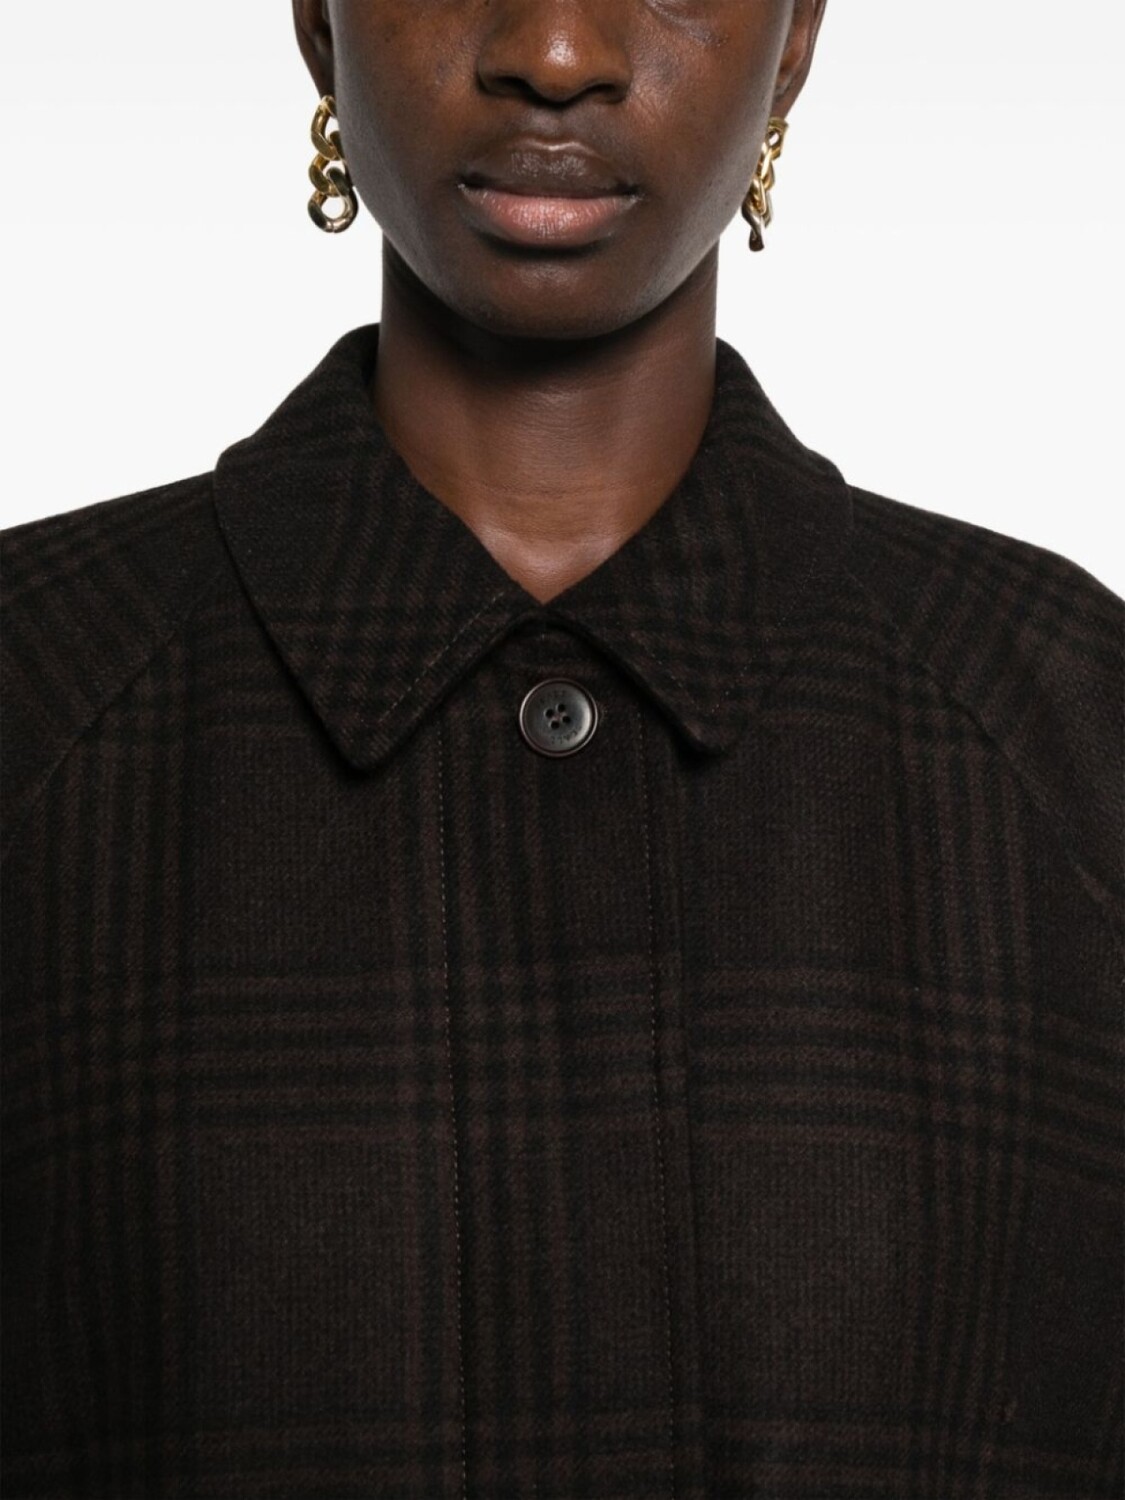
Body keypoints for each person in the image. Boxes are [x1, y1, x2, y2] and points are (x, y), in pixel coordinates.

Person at [2, 1, 1121, 1496]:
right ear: (317, 18)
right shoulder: (37, 698)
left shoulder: (1074, 733)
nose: (554, 50)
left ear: (793, 41)